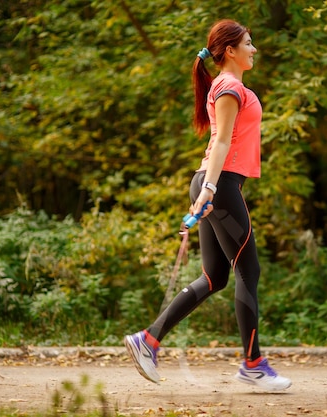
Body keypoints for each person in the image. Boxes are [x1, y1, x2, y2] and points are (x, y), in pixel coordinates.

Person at [124, 19, 291, 391]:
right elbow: (221, 143)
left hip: (215, 185)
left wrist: (207, 188)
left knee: (216, 276)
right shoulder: (229, 86)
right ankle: (253, 364)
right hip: (220, 185)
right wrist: (211, 190)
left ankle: (148, 340)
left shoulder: (227, 85)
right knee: (249, 270)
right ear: (230, 50)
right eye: (249, 43)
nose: (254, 49)